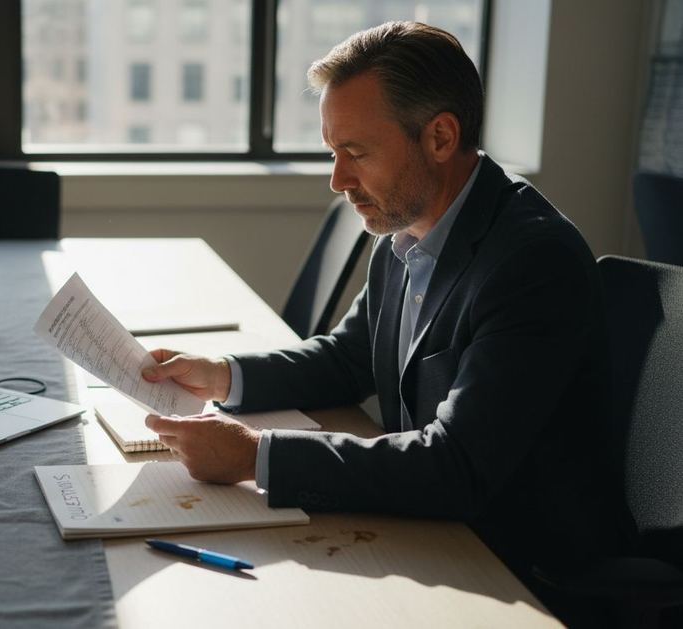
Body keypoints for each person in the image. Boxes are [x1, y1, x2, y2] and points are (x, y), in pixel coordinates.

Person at [141, 20, 614, 613]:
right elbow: (348, 358)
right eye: (332, 153)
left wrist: (252, 455)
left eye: (357, 153)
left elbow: (456, 466)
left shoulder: (531, 262)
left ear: (440, 136)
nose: (338, 181)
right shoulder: (407, 229)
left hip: (514, 566)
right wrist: (221, 375)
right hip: (428, 530)